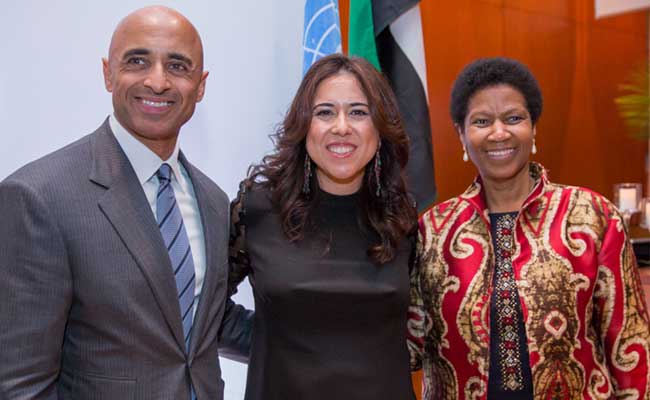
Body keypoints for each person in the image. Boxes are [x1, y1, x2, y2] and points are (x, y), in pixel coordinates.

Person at [0, 6, 251, 399]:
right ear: (108, 73)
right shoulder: (39, 197)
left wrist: (337, 338)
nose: (157, 81)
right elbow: (19, 383)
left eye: (178, 66)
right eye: (137, 61)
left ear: (200, 86)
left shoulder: (214, 202)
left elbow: (206, 323)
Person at [408, 57, 650, 400]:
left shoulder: (592, 217)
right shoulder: (432, 231)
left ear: (533, 127)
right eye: (481, 121)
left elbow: (630, 345)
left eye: (514, 118)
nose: (499, 132)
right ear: (461, 134)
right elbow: (405, 343)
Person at [228, 53, 418, 399]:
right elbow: (203, 308)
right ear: (304, 126)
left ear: (380, 129)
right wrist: (274, 340)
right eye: (325, 112)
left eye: (359, 112)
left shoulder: (402, 216)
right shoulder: (255, 209)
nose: (341, 127)